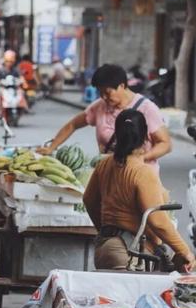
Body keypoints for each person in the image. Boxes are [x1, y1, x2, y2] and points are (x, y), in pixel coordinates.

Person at [83, 109, 195, 272]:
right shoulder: (142, 172)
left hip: (105, 247)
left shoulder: (104, 165)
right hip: (129, 253)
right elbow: (158, 222)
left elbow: (88, 200)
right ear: (145, 136)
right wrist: (185, 251)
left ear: (117, 135)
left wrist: (105, 229)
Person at [39, 63, 171, 168]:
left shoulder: (147, 109)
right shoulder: (100, 106)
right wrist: (52, 147)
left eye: (107, 92)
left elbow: (165, 144)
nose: (104, 97)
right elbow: (73, 124)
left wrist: (142, 158)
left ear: (122, 85)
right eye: (100, 93)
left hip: (140, 175)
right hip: (109, 176)